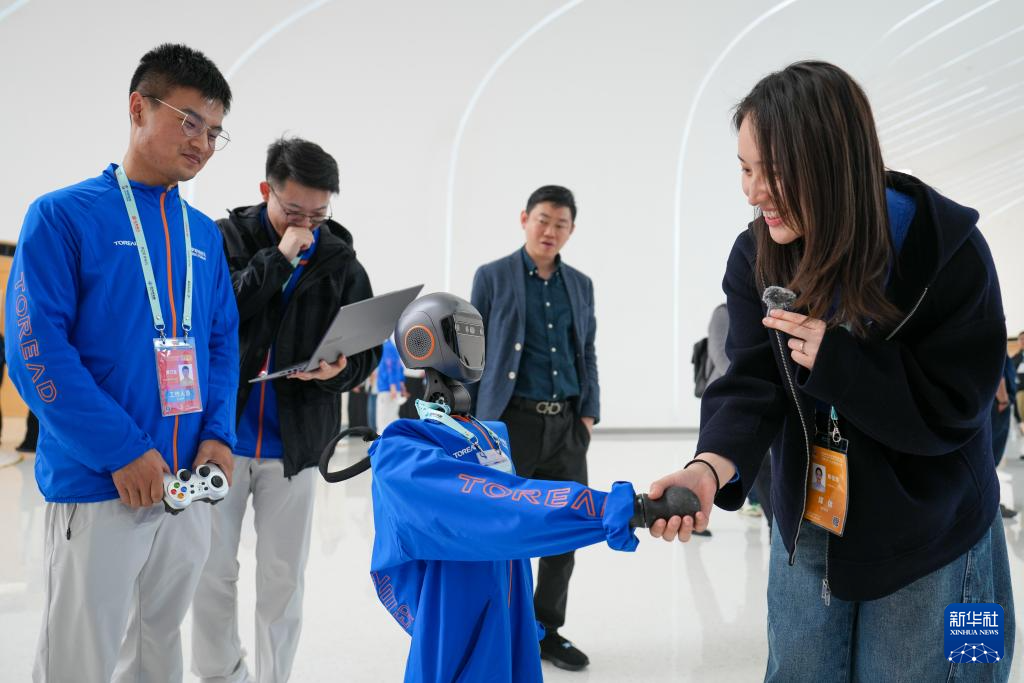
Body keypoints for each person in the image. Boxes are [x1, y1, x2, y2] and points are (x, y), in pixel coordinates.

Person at [649, 61, 1015, 681]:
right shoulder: (757, 252)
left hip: (940, 535)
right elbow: (752, 381)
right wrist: (708, 467)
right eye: (744, 168)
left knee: (960, 668)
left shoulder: (948, 252)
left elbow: (956, 409)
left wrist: (841, 363)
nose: (753, 192)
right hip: (813, 520)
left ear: (833, 163)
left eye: (773, 172)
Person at [5, 43, 238, 682]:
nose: (202, 143)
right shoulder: (62, 216)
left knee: (159, 652)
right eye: (190, 121)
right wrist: (121, 451)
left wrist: (218, 435)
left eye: (215, 132)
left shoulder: (203, 235)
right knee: (78, 660)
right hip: (101, 483)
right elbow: (36, 352)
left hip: (186, 486)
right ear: (138, 108)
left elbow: (222, 345)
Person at [191, 137, 379, 683]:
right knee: (211, 570)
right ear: (265, 190)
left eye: (319, 213)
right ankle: (220, 675)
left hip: (295, 445)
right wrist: (278, 259)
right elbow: (216, 311)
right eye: (295, 211)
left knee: (283, 577)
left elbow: (365, 349)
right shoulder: (223, 238)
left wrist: (336, 370)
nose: (308, 224)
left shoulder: (341, 259)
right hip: (219, 439)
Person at [470, 185, 599, 671]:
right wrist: (472, 423)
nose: (550, 231)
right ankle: (505, 627)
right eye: (543, 219)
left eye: (561, 224)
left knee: (566, 528)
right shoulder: (492, 276)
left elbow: (587, 351)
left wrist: (588, 415)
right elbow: (472, 352)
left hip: (566, 424)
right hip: (510, 423)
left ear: (571, 230)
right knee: (506, 529)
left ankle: (547, 629)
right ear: (524, 218)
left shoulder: (580, 284)